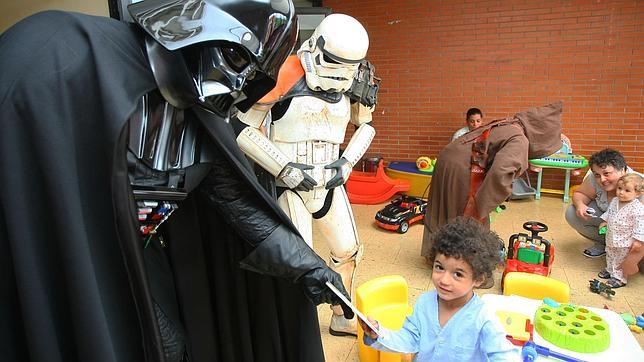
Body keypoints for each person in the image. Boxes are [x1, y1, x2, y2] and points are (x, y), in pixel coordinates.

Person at [0, 2, 353, 361]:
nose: (236, 86)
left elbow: (236, 203)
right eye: (234, 59)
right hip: (63, 262)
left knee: (169, 347)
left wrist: (311, 268)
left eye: (249, 76)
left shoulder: (203, 117)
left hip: (139, 256)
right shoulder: (64, 56)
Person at [234, 13, 378, 336]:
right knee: (297, 264)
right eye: (333, 63)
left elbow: (365, 126)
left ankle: (342, 315)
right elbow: (242, 129)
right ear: (316, 48)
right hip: (289, 185)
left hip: (330, 181)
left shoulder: (355, 79)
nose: (340, 75)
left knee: (349, 252)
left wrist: (347, 162)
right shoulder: (284, 73)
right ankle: (298, 332)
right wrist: (285, 168)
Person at [421, 102, 562, 269]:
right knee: (467, 219)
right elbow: (501, 172)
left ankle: (435, 256)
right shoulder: (520, 139)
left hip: (447, 159)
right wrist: (483, 205)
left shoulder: (508, 123)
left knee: (443, 209)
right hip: (462, 169)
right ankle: (463, 267)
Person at [359, 217, 516, 361]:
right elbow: (409, 338)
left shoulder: (483, 318)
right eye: (439, 267)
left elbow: (505, 356)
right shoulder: (425, 303)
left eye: (458, 274)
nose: (444, 280)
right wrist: (379, 333)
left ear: (478, 279)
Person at [565, 148, 644, 259]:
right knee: (572, 213)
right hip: (608, 220)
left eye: (607, 173)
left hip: (634, 230)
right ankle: (605, 244)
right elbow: (581, 194)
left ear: (622, 170)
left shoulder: (639, 185)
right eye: (597, 174)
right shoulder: (593, 179)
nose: (602, 179)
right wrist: (580, 205)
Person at [596, 173, 644, 288]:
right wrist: (605, 221)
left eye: (627, 190)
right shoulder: (615, 201)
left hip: (625, 240)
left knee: (620, 259)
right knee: (610, 254)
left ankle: (619, 278)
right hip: (612, 236)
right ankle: (610, 270)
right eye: (619, 188)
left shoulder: (638, 208)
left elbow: (640, 225)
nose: (621, 192)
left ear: (637, 193)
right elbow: (609, 213)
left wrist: (638, 241)